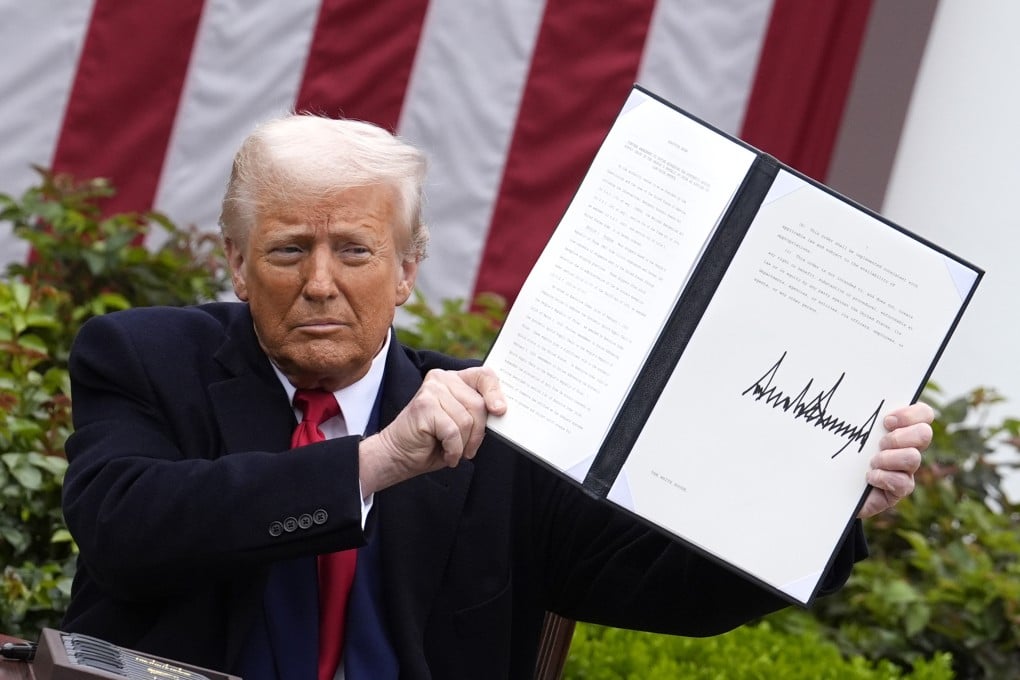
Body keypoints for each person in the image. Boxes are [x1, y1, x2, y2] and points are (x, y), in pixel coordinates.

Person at [60, 114, 933, 680]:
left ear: (407, 271)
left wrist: (827, 507)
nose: (321, 283)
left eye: (355, 252)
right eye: (289, 250)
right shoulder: (140, 358)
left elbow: (666, 590)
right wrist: (374, 463)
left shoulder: (505, 423)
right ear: (238, 265)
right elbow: (126, 527)